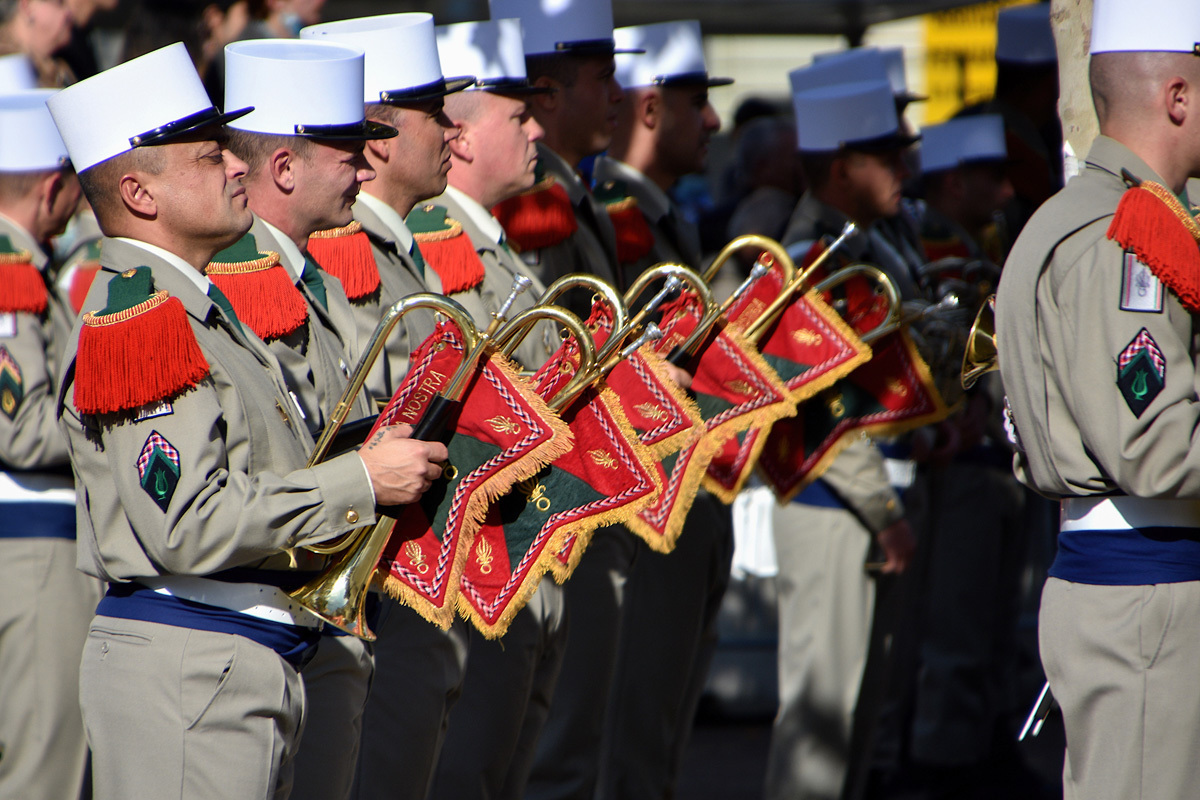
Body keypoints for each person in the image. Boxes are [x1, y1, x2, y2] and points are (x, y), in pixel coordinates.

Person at [47, 42, 447, 799]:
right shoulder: (143, 316)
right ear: (139, 192)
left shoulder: (197, 309)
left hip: (235, 658)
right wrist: (359, 479)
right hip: (193, 664)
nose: (239, 165)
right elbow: (186, 525)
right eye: (208, 158)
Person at [997, 1, 1200, 797]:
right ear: (1178, 96)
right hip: (1143, 588)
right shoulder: (1126, 238)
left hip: (1132, 584)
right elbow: (1156, 448)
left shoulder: (1095, 217)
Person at [298, 14, 478, 800]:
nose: (452, 130)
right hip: (375, 574)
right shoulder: (347, 251)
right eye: (434, 112)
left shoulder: (400, 244)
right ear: (376, 141)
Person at [218, 38, 392, 800]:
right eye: (350, 153)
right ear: (284, 169)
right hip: (264, 602)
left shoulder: (302, 268)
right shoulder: (244, 273)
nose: (366, 170)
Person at [588, 20, 736, 800]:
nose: (711, 120)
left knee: (660, 730)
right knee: (627, 738)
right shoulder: (612, 213)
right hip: (641, 511)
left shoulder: (662, 213)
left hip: (681, 502)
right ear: (648, 111)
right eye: (695, 101)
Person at [419, 18, 565, 800]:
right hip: (480, 557)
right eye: (518, 114)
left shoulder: (495, 246)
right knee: (466, 776)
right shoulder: (439, 244)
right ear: (464, 139)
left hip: (523, 545)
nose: (539, 127)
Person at [769, 75, 918, 800]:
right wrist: (884, 514)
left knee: (855, 724)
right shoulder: (815, 260)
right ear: (839, 170)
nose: (904, 166)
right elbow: (823, 404)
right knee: (820, 732)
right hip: (836, 501)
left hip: (867, 499)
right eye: (883, 154)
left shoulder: (865, 244)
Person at [0, 88, 100, 800]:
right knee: (44, 769)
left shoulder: (25, 267)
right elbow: (26, 428)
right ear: (52, 187)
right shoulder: (11, 275)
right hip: (35, 550)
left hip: (34, 548)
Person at [0, 0, 72, 86]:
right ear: (27, 7)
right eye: (59, 3)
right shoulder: (5, 65)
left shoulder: (61, 67)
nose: (69, 13)